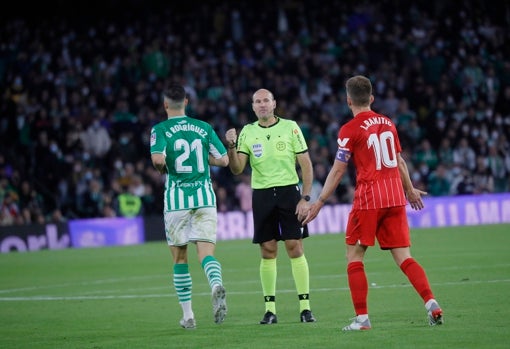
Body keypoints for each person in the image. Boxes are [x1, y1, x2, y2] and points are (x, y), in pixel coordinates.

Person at [302, 75, 443, 330]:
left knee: (354, 257)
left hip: (369, 199)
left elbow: (337, 171)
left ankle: (362, 319)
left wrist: (319, 202)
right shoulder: (388, 123)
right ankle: (431, 303)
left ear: (348, 101)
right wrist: (409, 191)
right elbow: (399, 162)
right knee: (404, 257)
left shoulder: (349, 129)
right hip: (394, 197)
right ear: (372, 98)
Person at [225, 88, 316, 324]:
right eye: (258, 101)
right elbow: (237, 168)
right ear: (253, 106)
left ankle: (305, 308)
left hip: (288, 192)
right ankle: (270, 310)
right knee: (267, 250)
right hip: (262, 195)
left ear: (274, 104)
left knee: (295, 246)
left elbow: (306, 164)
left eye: (266, 100)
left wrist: (305, 198)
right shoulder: (247, 131)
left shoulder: (290, 127)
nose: (262, 104)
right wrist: (231, 147)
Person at [150, 83, 229, 330]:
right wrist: (204, 160)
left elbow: (157, 160)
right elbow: (225, 160)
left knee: (180, 257)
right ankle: (215, 284)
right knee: (206, 253)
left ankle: (188, 316)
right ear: (186, 102)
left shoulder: (160, 129)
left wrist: (163, 165)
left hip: (177, 201)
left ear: (165, 104)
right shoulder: (204, 127)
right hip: (205, 198)